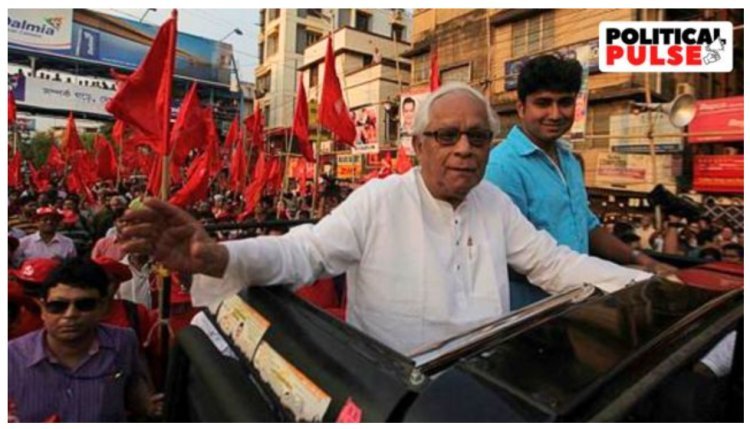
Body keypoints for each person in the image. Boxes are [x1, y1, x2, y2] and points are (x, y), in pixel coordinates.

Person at [120, 82, 651, 355]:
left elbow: (554, 263)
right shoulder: (380, 200)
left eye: (478, 137)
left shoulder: (494, 202)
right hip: (393, 389)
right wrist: (218, 255)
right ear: (419, 144)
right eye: (447, 136)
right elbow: (303, 251)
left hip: (482, 377)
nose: (464, 149)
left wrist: (650, 287)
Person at [483, 54, 666, 310]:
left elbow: (589, 226)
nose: (555, 114)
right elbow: (509, 257)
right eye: (543, 103)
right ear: (521, 107)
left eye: (565, 102)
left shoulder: (569, 159)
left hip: (576, 306)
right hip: (529, 318)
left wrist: (639, 258)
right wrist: (608, 278)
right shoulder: (502, 167)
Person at [7, 258, 160, 422]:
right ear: (43, 308)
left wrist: (151, 408)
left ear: (102, 307)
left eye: (84, 304)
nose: (70, 314)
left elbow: (136, 392)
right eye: (58, 306)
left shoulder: (123, 342)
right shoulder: (10, 357)